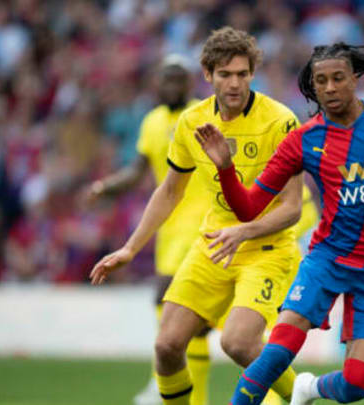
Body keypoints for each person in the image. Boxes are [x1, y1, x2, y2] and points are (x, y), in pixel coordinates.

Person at [195, 42, 364, 405]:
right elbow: (249, 207)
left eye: (338, 78)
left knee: (356, 386)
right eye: (322, 81)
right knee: (275, 353)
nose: (330, 87)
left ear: (354, 79)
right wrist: (226, 168)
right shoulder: (303, 140)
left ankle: (307, 389)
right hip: (327, 259)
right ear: (313, 86)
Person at [89, 27, 305, 405]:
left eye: (242, 74)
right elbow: (170, 190)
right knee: (167, 346)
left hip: (266, 249)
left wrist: (245, 231)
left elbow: (292, 207)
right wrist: (130, 248)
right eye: (224, 74)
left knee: (238, 343)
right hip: (213, 246)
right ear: (208, 75)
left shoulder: (280, 121)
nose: (234, 83)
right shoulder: (192, 122)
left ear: (253, 73)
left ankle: (302, 394)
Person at [82, 54, 212, 405]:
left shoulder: (205, 115)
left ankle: (166, 380)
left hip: (204, 224)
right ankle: (176, 382)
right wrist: (105, 187)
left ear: (190, 82)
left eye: (177, 79)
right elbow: (138, 170)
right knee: (186, 321)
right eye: (165, 79)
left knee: (169, 300)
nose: (171, 86)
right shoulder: (153, 121)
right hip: (168, 229)